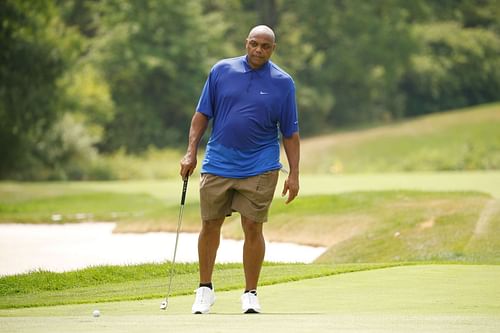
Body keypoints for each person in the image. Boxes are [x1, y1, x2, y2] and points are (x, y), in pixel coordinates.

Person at [179, 25, 300, 314]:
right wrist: (190, 152)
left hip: (261, 165)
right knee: (210, 224)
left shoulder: (283, 82)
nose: (258, 50)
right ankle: (205, 289)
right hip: (219, 161)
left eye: (265, 46)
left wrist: (294, 174)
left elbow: (290, 133)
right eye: (254, 44)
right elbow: (201, 116)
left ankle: (250, 293)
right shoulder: (222, 71)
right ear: (246, 43)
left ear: (273, 49)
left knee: (252, 226)